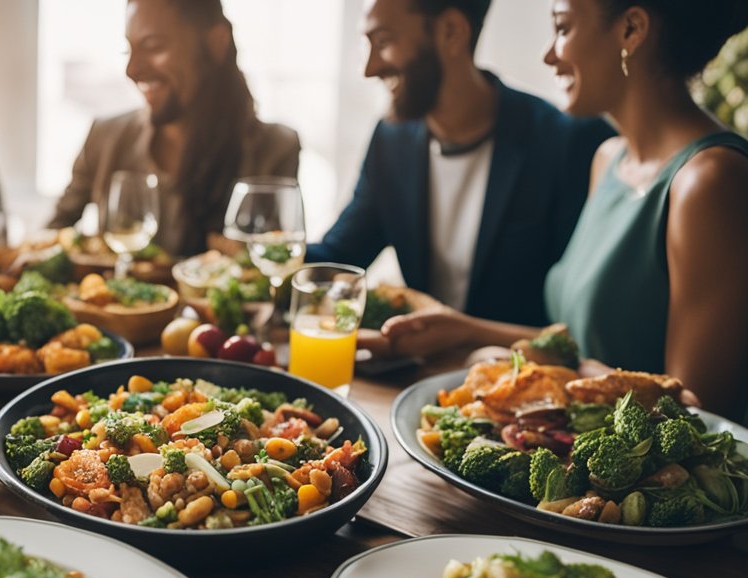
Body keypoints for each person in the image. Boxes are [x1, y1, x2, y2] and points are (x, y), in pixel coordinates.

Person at [382, 0, 748, 418]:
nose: (549, 54)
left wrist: (560, 375)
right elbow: (589, 346)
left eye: (563, 28)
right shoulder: (608, 160)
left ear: (631, 30)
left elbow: (698, 415)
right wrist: (463, 330)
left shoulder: (710, 181)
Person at [305, 0, 613, 327]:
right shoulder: (391, 141)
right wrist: (263, 253)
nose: (369, 68)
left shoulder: (569, 143)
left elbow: (578, 320)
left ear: (451, 32)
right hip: (413, 374)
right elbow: (341, 256)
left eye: (384, 42)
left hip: (525, 375)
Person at [46, 0, 301, 258]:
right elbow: (52, 235)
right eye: (128, 50)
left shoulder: (276, 149)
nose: (132, 70)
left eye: (154, 47)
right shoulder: (105, 136)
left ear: (216, 43)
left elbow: (273, 264)